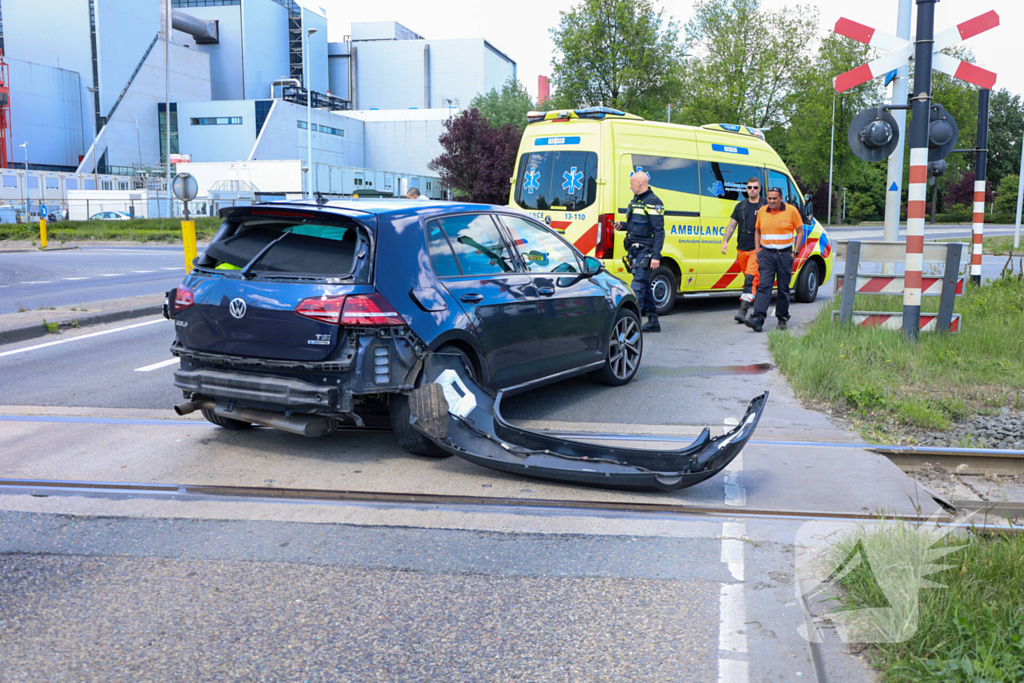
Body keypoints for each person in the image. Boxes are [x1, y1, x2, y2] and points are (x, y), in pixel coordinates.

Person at [744, 187, 804, 333]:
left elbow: (800, 232)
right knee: (764, 286)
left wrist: (794, 252)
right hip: (766, 255)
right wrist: (758, 251)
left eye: (774, 198)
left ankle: (782, 318)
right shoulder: (762, 211)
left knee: (783, 288)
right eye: (769, 198)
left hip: (784, 255)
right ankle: (758, 318)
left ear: (781, 198)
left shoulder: (791, 211)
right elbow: (757, 231)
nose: (771, 201)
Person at [615, 171, 665, 333]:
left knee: (636, 287)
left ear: (639, 184)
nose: (630, 186)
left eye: (631, 184)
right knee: (644, 285)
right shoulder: (636, 201)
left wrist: (656, 256)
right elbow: (635, 226)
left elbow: (659, 231)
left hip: (646, 251)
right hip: (634, 250)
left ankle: (629, 325)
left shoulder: (653, 202)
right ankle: (653, 320)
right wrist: (621, 226)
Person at [720, 177, 765, 323]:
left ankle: (743, 310)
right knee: (752, 281)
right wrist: (725, 241)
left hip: (757, 249)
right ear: (746, 189)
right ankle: (758, 310)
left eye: (755, 187)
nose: (752, 190)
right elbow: (732, 225)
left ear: (759, 189)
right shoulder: (741, 206)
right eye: (750, 187)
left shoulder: (764, 205)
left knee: (750, 279)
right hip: (742, 249)